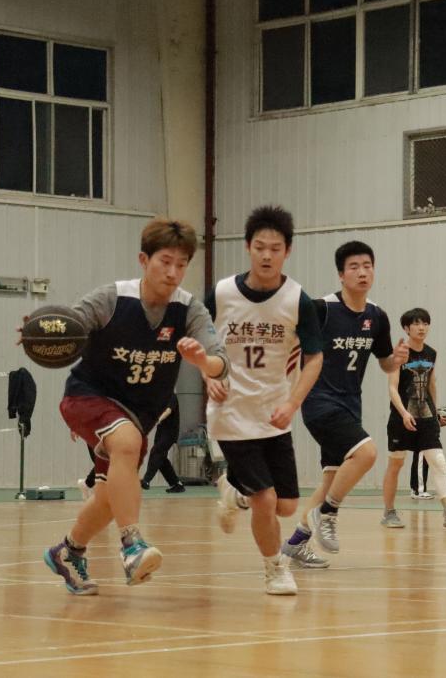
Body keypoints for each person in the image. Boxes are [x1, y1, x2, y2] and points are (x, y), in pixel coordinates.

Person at [38, 218, 229, 596]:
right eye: (165, 262)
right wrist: (44, 331)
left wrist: (203, 363)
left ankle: (68, 551)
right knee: (126, 442)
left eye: (181, 264)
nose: (173, 272)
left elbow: (220, 360)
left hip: (138, 415)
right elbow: (71, 324)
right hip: (87, 396)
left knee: (110, 498)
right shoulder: (112, 299)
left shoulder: (189, 310)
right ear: (144, 260)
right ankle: (132, 545)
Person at [205, 205, 324, 595]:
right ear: (247, 247)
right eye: (260, 247)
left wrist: (292, 404)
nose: (267, 255)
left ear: (287, 251)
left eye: (275, 248)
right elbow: (198, 342)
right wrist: (208, 376)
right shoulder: (222, 293)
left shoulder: (297, 299)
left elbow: (314, 358)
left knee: (285, 505)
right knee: (266, 499)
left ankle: (233, 492)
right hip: (230, 414)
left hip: (274, 413)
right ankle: (275, 569)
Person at [280, 241, 408, 566]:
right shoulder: (321, 309)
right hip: (318, 402)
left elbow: (385, 364)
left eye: (367, 266)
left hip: (351, 404)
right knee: (367, 453)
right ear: (341, 274)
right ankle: (328, 514)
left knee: (330, 479)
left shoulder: (377, 317)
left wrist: (396, 360)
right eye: (354, 267)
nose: (362, 272)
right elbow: (287, 340)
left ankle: (296, 543)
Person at [381, 308, 446, 529]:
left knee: (438, 460)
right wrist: (403, 413)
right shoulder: (400, 353)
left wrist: (435, 411)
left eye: (425, 323)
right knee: (396, 463)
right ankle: (389, 512)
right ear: (406, 328)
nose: (422, 327)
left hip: (427, 416)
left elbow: (432, 384)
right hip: (401, 417)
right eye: (417, 323)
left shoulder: (431, 353)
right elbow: (392, 388)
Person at [141, 396, 185, 493]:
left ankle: (146, 480)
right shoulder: (159, 397)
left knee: (156, 452)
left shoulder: (171, 396)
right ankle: (177, 484)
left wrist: (157, 420)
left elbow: (168, 411)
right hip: (161, 431)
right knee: (161, 459)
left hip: (170, 432)